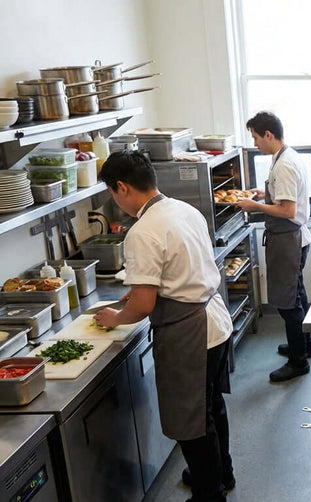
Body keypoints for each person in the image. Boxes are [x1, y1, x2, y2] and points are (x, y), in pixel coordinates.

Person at [94, 151, 235, 502]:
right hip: (214, 321)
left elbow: (144, 305)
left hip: (189, 333)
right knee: (210, 406)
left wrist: (115, 317)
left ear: (122, 188)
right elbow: (179, 267)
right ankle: (221, 473)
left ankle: (209, 493)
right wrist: (144, 286)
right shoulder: (183, 209)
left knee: (192, 423)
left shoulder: (142, 231)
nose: (116, 200)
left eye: (112, 193)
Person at [237, 111, 311, 382]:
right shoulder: (284, 157)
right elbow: (284, 197)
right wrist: (263, 194)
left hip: (288, 240)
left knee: (287, 302)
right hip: (291, 239)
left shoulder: (284, 164)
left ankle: (298, 362)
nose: (255, 143)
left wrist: (255, 206)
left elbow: (287, 209)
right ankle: (304, 346)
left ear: (268, 135)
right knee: (298, 293)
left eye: (256, 138)